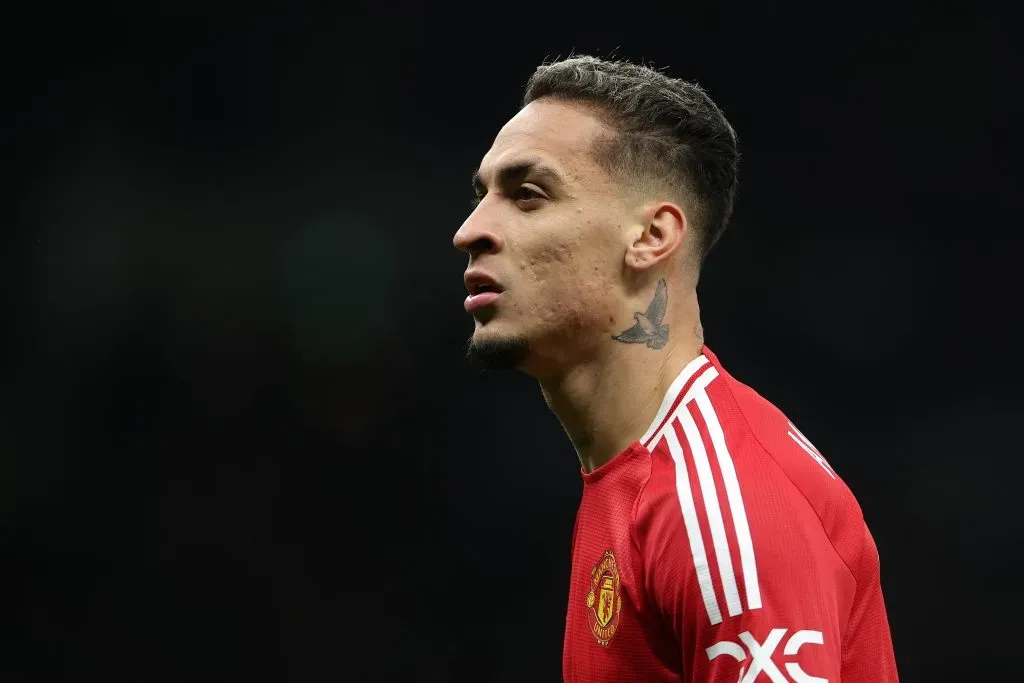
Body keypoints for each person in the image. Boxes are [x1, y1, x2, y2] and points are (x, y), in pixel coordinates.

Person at [453, 55, 898, 682]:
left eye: (528, 196)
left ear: (652, 237)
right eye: (482, 197)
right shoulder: (636, 473)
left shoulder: (723, 504)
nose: (470, 231)